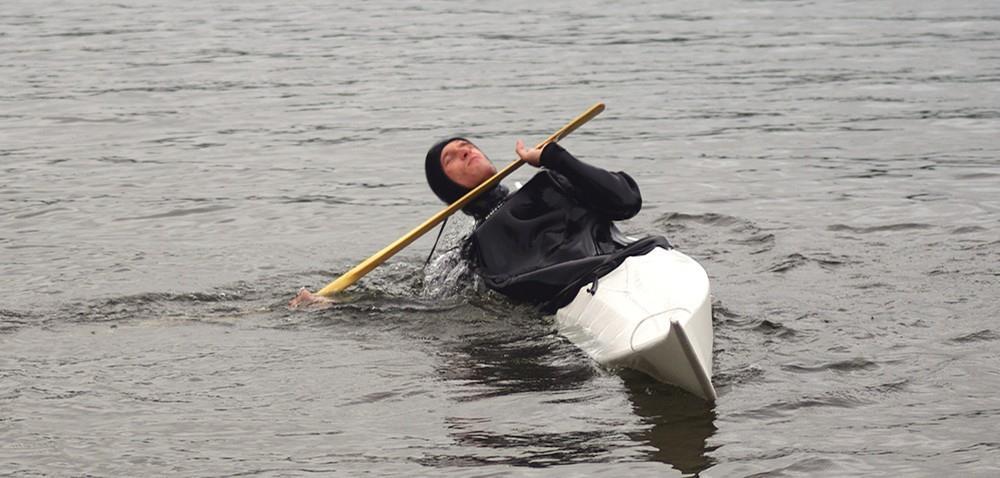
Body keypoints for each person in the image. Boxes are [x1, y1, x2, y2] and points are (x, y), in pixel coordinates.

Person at [290, 137, 669, 310]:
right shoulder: (472, 250)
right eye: (451, 158)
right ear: (448, 189)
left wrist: (555, 158)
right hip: (577, 292)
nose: (465, 151)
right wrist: (336, 306)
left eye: (466, 145)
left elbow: (627, 201)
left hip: (629, 261)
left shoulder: (553, 179)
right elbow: (415, 304)